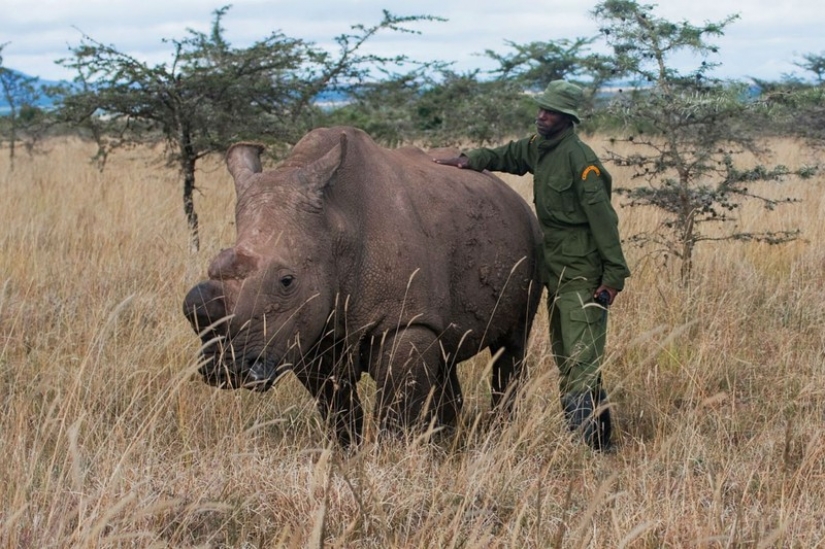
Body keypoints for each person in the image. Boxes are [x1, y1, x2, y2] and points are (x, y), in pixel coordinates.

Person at [434, 80, 630, 451]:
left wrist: (613, 275)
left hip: (582, 268)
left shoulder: (582, 161)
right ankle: (600, 440)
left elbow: (605, 222)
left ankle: (590, 446)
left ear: (567, 118)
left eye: (551, 112)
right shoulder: (540, 149)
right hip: (553, 266)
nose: (542, 116)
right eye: (541, 109)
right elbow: (507, 155)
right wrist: (467, 160)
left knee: (579, 355)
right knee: (567, 351)